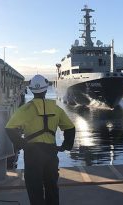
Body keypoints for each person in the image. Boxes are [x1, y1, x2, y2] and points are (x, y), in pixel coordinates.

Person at [5, 74, 75, 205]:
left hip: (32, 153)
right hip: (51, 152)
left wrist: (23, 145)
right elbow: (70, 128)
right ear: (46, 89)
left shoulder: (25, 109)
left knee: (34, 187)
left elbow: (9, 128)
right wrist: (66, 145)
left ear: (31, 89)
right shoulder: (56, 108)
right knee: (52, 185)